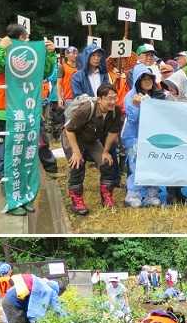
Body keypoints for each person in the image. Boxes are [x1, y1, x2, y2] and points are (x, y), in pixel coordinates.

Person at [0, 25, 57, 215]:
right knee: (4, 157)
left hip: (25, 113)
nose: (29, 40)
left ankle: (23, 197)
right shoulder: (2, 53)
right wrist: (2, 48)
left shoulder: (30, 54)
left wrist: (49, 54)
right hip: (3, 115)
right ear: (21, 37)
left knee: (25, 157)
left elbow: (45, 72)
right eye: (27, 37)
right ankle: (11, 198)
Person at [62, 84, 122, 215]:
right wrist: (76, 152)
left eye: (114, 98)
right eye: (108, 98)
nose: (112, 102)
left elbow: (113, 132)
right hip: (72, 138)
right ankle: (76, 200)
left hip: (91, 140)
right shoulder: (87, 109)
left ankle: (106, 196)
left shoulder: (116, 111)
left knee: (107, 162)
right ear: (99, 99)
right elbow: (69, 129)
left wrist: (105, 151)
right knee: (77, 164)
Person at [122, 67, 165, 208]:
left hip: (152, 137)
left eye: (150, 78)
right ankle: (133, 195)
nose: (148, 82)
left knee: (153, 163)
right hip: (134, 137)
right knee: (136, 166)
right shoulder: (130, 96)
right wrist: (136, 105)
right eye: (144, 78)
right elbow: (132, 119)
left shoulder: (156, 95)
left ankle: (152, 195)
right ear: (138, 80)